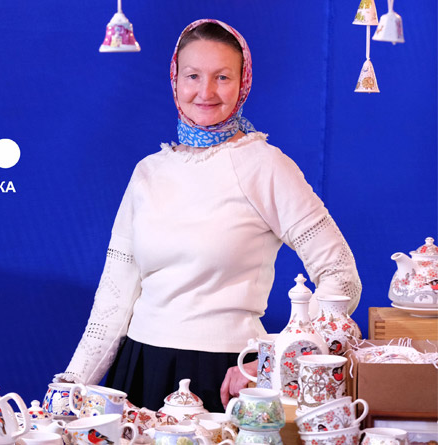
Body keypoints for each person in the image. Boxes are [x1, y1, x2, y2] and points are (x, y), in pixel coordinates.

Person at [55, 19, 361, 412]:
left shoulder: (265, 166)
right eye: (193, 76)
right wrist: (71, 385)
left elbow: (342, 277)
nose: (205, 92)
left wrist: (272, 361)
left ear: (243, 82)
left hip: (227, 376)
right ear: (175, 80)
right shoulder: (148, 171)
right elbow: (114, 298)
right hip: (139, 370)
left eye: (222, 77)